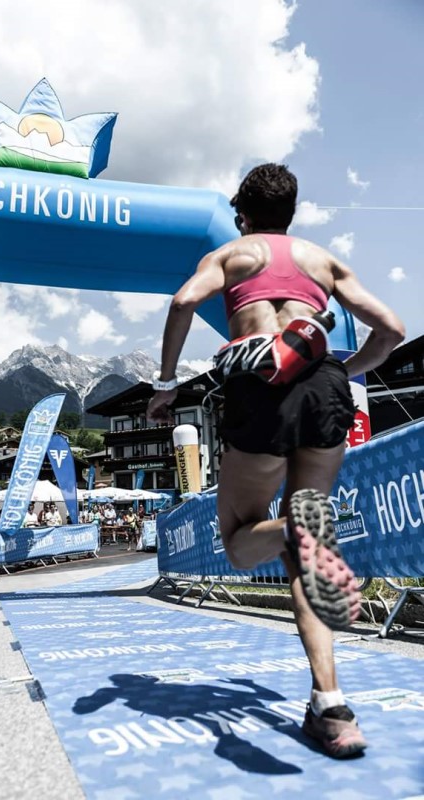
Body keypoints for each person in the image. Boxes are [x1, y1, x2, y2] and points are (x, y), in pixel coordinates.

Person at [147, 163, 405, 759]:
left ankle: (294, 528)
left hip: (260, 386)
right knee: (304, 559)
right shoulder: (322, 260)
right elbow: (391, 328)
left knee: (241, 542)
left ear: (242, 212)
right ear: (291, 213)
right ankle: (331, 707)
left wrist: (164, 383)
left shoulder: (232, 254)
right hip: (324, 387)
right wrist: (343, 370)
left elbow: (183, 301)